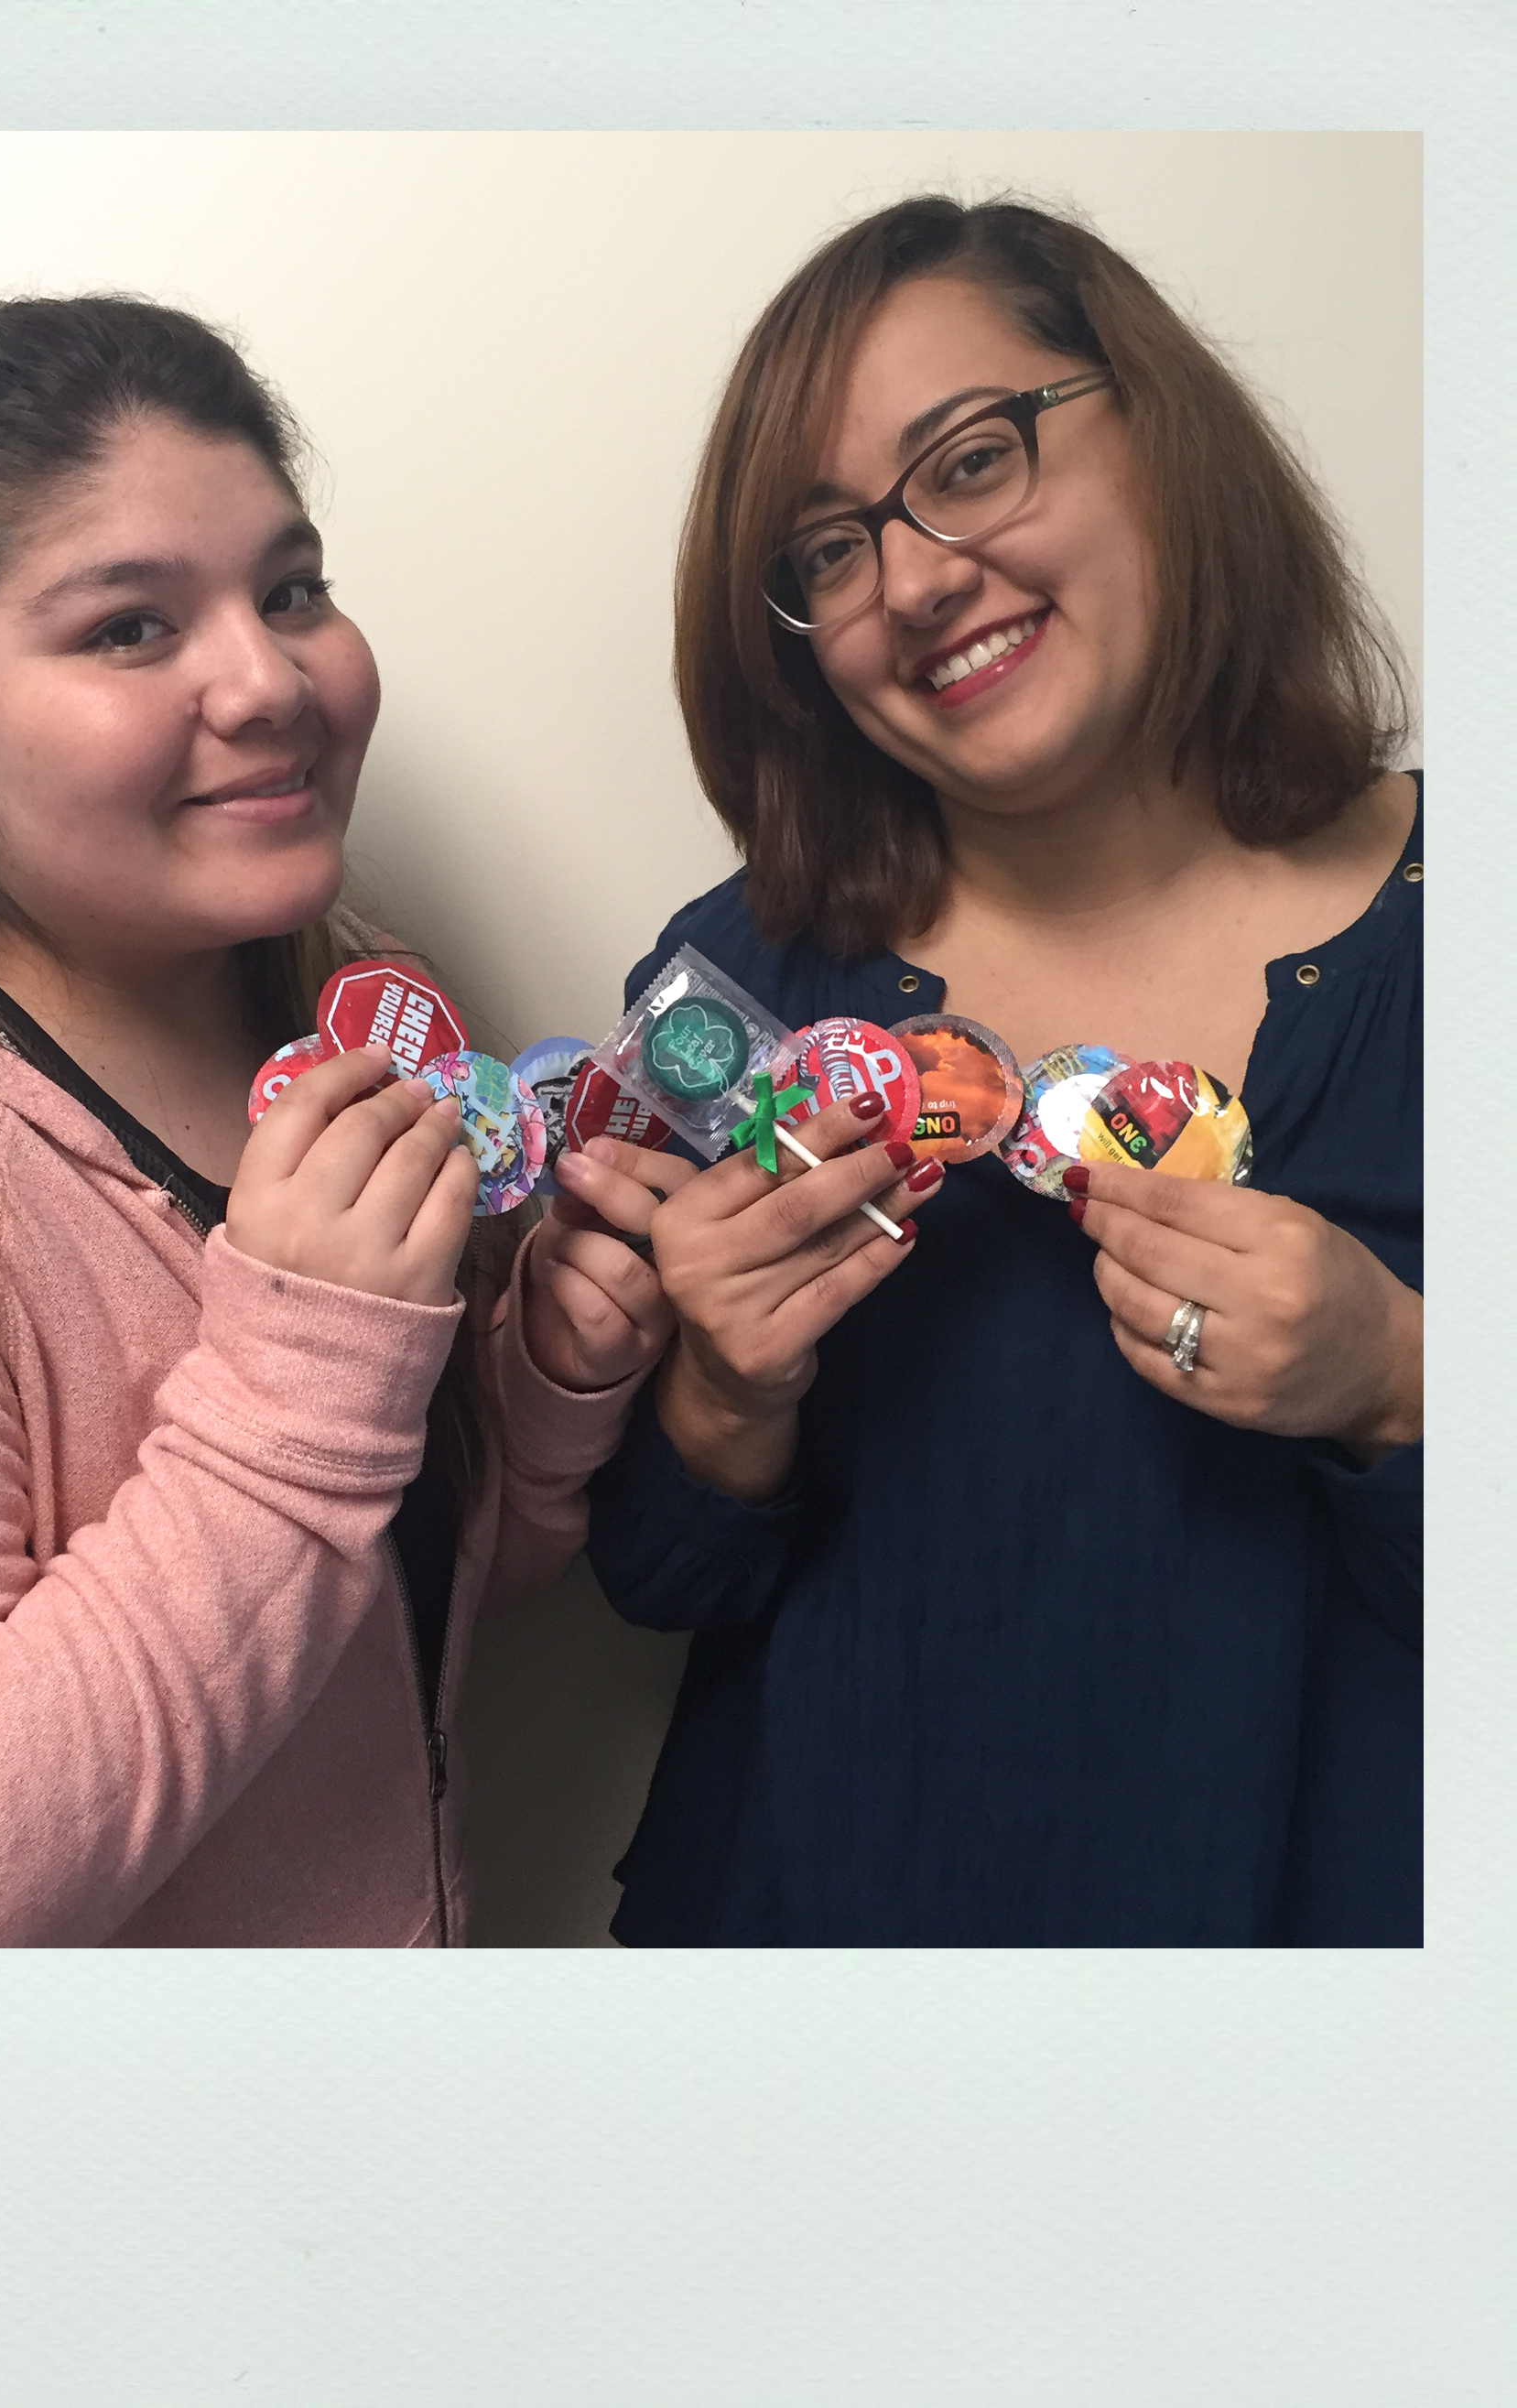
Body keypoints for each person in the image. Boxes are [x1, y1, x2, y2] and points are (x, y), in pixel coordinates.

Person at [0, 292, 674, 1947]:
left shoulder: (355, 1020)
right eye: (130, 627)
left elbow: (384, 1608)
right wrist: (311, 1384)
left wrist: (538, 1390)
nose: (271, 681)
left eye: (293, 590)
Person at [556, 197, 1422, 1947]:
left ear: (1156, 427)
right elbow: (655, 1584)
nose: (918, 576)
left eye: (971, 459)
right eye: (828, 552)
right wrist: (724, 1399)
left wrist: (1397, 1375)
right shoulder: (739, 987)